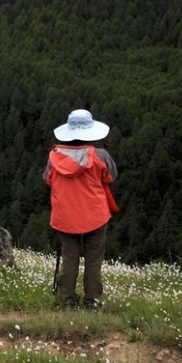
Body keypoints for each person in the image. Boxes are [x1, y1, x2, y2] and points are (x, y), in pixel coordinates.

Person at [44, 109, 118, 310]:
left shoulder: (54, 156)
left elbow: (48, 179)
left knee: (70, 258)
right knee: (93, 260)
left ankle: (67, 301)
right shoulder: (100, 155)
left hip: (65, 216)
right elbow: (110, 177)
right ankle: (93, 301)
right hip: (95, 214)